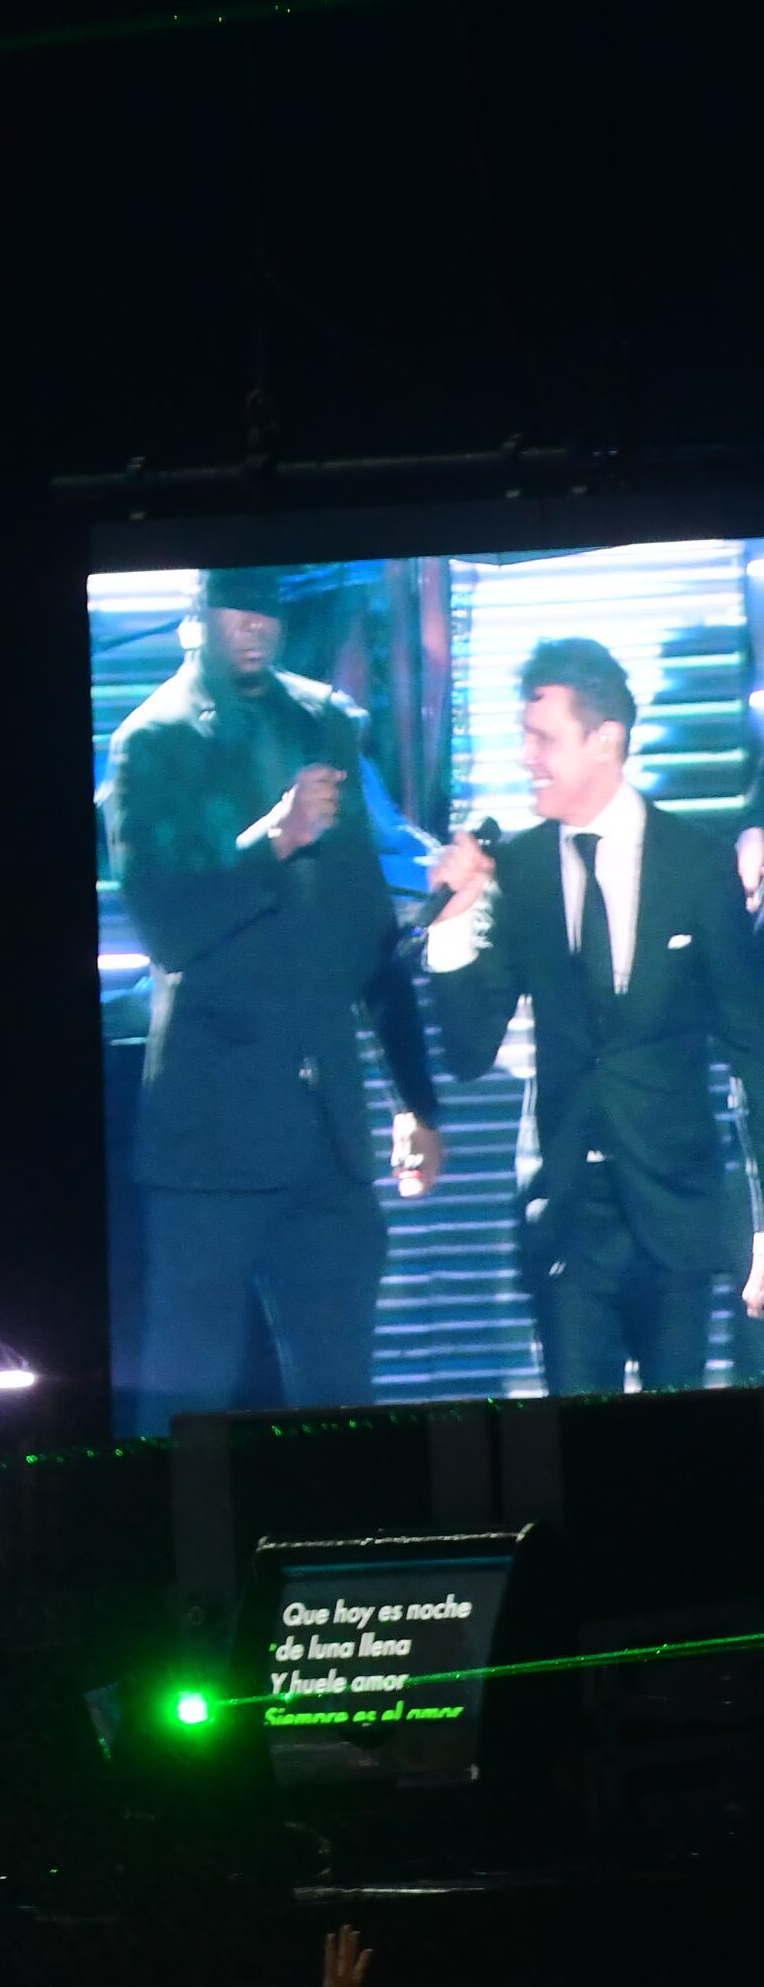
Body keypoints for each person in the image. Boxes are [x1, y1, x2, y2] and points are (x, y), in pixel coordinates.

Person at [108, 564, 448, 1427]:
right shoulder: (154, 744)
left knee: (342, 1405)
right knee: (190, 1407)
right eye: (237, 606)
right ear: (201, 607)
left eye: (268, 607)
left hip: (328, 1143)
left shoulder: (323, 721)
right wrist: (272, 841)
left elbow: (365, 927)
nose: (255, 624)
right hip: (211, 1143)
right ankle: (191, 1563)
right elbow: (167, 929)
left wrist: (416, 1097)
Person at [422, 636, 764, 1395]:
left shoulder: (696, 862)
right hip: (569, 1214)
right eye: (522, 737)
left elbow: (753, 1045)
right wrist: (453, 925)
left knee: (679, 1448)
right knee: (582, 1451)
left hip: (675, 1211)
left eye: (543, 737)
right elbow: (472, 1048)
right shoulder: (524, 867)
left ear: (606, 740)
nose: (526, 757)